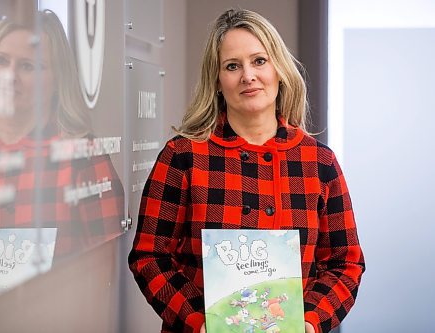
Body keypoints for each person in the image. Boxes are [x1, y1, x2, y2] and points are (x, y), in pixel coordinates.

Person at [128, 8, 365, 333]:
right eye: (232, 66)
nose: (248, 76)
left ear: (279, 69)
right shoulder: (182, 156)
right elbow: (149, 257)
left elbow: (345, 263)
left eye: (259, 61)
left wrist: (309, 322)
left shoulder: (320, 162)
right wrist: (202, 322)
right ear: (217, 80)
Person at [0, 10, 124, 323]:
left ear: (56, 79)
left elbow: (104, 281)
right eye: (0, 61)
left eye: (28, 66)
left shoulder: (82, 158)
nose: (10, 77)